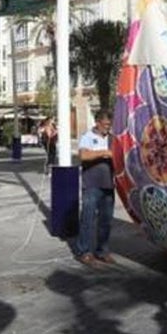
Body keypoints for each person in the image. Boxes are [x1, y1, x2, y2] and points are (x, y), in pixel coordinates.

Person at [73, 111, 116, 267]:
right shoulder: (88, 137)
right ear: (97, 122)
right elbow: (83, 156)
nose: (107, 128)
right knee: (88, 219)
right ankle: (83, 252)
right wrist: (104, 153)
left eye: (109, 125)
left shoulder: (112, 138)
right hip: (91, 185)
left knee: (106, 221)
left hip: (108, 185)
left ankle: (102, 251)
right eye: (105, 125)